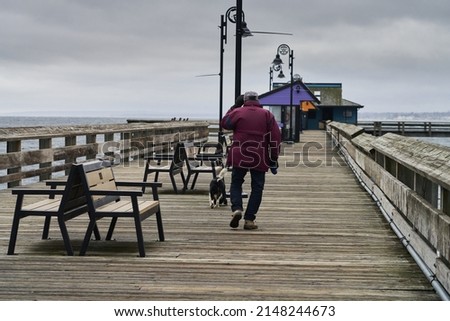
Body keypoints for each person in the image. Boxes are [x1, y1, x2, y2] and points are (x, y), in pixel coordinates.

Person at [220, 91, 281, 230]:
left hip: (239, 153)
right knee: (257, 187)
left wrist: (235, 106)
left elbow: (225, 123)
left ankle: (237, 208)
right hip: (259, 155)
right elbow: (275, 137)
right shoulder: (267, 115)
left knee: (236, 182)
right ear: (258, 100)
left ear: (244, 100)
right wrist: (274, 157)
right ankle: (249, 220)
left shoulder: (238, 112)